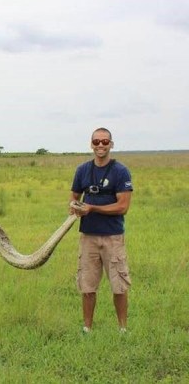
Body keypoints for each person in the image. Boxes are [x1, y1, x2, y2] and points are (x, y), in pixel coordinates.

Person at [70, 127, 133, 333]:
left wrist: (93, 208)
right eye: (96, 142)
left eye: (105, 142)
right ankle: (87, 328)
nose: (100, 146)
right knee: (87, 286)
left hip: (113, 237)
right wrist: (75, 207)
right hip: (88, 236)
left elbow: (123, 206)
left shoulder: (120, 171)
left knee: (119, 285)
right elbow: (73, 198)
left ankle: (122, 329)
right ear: (91, 144)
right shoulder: (82, 170)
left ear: (111, 144)